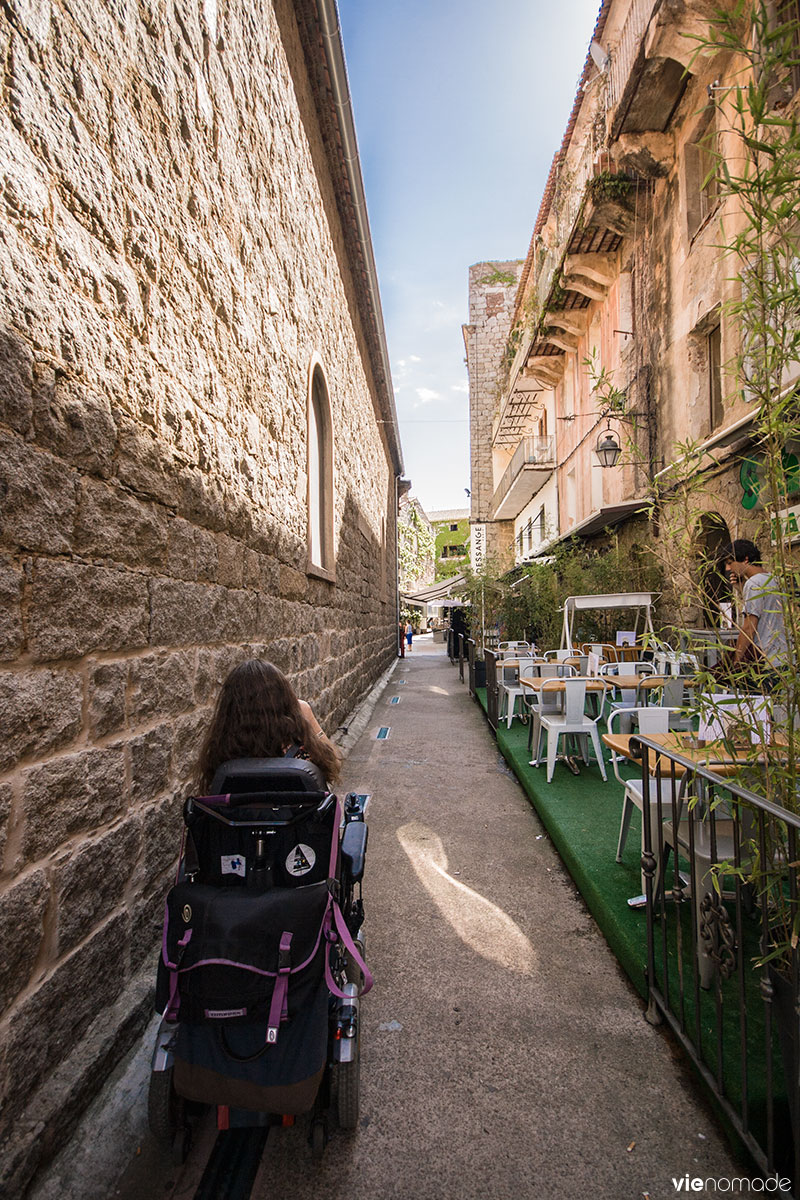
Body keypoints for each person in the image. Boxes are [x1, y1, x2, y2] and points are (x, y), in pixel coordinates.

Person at [195, 658, 342, 792]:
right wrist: (309, 717)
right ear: (284, 698)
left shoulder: (222, 750)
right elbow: (333, 765)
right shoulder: (301, 751)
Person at [720, 539, 793, 673]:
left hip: (766, 660)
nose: (728, 568)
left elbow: (749, 627)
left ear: (745, 559)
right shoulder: (774, 579)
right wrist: (741, 588)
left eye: (730, 563)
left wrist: (737, 661)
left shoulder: (754, 584)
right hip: (784, 658)